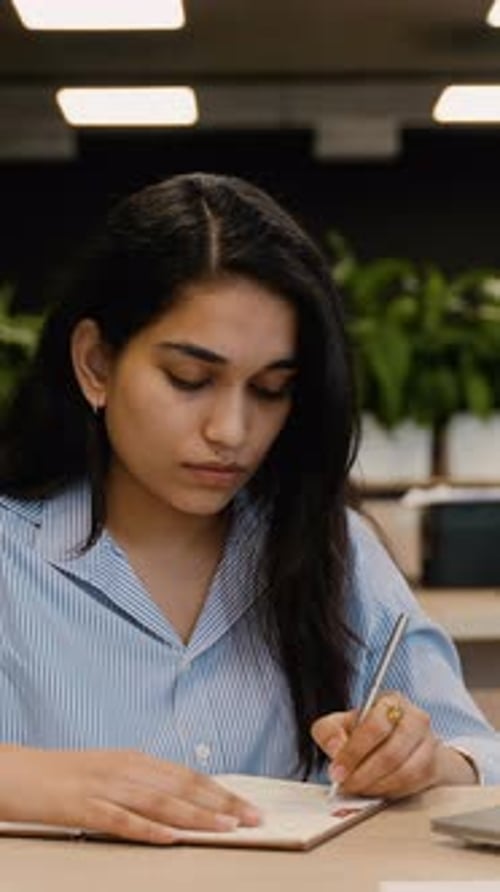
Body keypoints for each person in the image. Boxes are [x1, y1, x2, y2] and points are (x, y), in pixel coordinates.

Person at [0, 172, 498, 844]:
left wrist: (428, 762)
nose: (232, 431)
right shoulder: (11, 555)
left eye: (270, 389)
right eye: (189, 379)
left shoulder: (334, 547)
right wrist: (25, 780)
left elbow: (480, 757)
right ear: (95, 364)